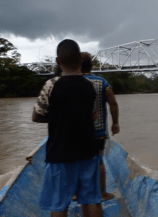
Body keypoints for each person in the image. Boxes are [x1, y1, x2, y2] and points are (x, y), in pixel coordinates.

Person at [32, 40, 102, 217]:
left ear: (57, 61)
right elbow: (92, 115)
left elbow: (36, 115)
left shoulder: (51, 85)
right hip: (88, 151)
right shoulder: (90, 86)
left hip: (60, 153)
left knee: (59, 204)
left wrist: (58, 118)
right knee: (91, 199)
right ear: (80, 59)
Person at [81, 52, 120, 201]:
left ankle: (75, 193)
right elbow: (113, 103)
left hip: (77, 131)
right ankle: (102, 193)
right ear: (91, 66)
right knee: (98, 160)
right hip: (99, 131)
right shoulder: (102, 82)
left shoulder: (72, 82)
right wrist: (115, 123)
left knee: (77, 161)